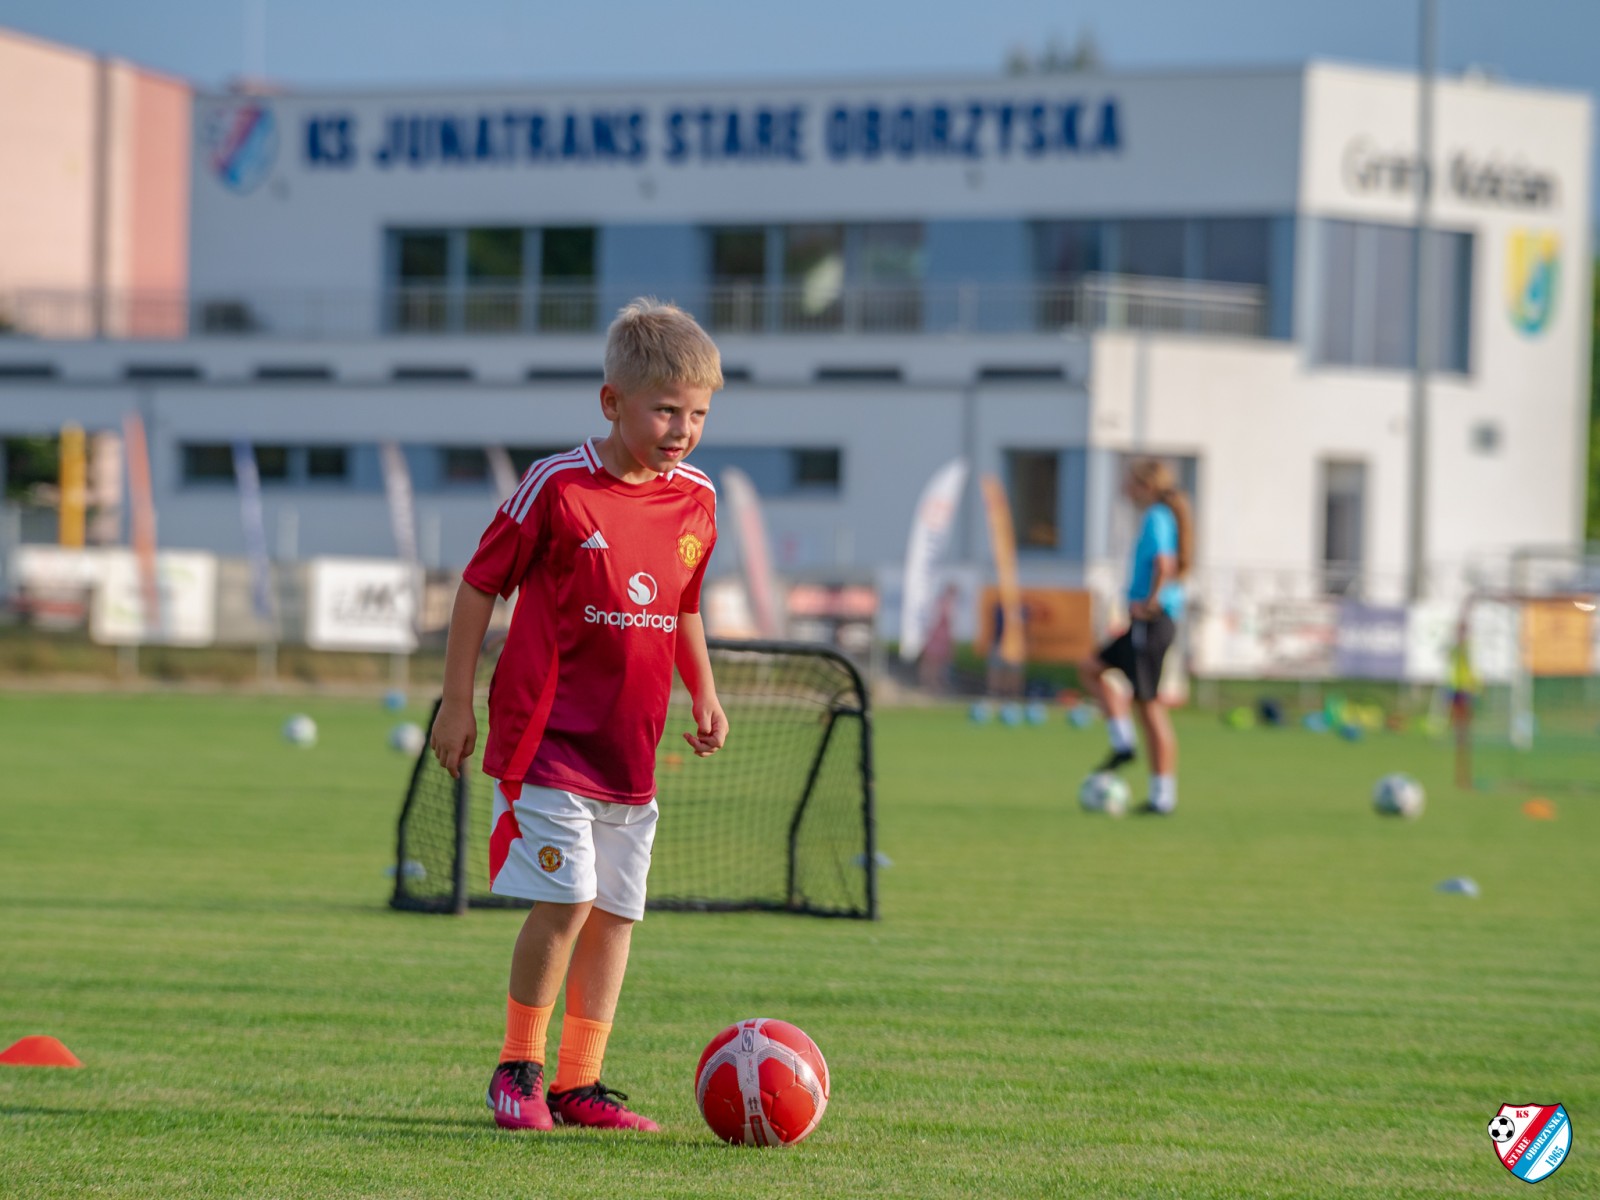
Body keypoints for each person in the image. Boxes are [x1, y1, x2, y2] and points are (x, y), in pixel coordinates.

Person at [429, 298, 727, 1132]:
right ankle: (515, 1071)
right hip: (547, 741)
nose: (683, 429)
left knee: (617, 916)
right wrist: (458, 703)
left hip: (630, 754)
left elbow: (684, 606)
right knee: (566, 906)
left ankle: (578, 1084)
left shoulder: (697, 499)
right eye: (666, 409)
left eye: (698, 413)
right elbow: (479, 585)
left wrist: (702, 690)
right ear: (612, 403)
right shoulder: (557, 486)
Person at [1079, 459, 1193, 815]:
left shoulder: (1157, 516)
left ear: (1144, 485)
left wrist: (1151, 602)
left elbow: (1165, 564)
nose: (1124, 487)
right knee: (1090, 666)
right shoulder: (1160, 515)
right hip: (1147, 622)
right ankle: (1124, 742)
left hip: (1151, 622)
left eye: (1129, 481)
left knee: (1151, 707)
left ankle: (1162, 796)